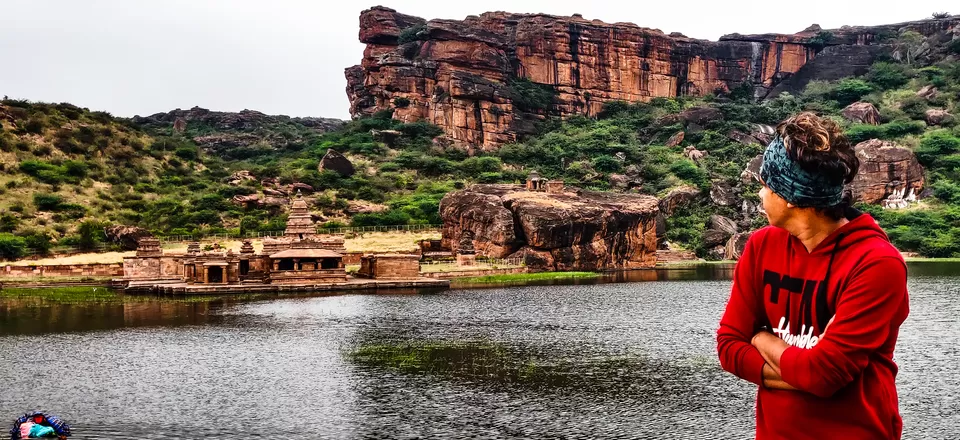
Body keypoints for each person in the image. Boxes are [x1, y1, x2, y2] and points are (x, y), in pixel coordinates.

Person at [716, 112, 910, 439]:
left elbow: (822, 376)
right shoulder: (763, 246)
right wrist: (807, 370)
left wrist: (760, 337)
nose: (760, 195)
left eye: (766, 185)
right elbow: (728, 346)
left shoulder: (877, 264)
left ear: (792, 198)